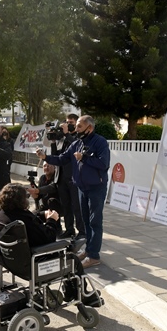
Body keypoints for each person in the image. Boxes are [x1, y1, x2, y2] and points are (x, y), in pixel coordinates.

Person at [0, 183, 102, 305]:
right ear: (20, 200)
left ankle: (70, 292)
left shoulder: (2, 216)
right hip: (33, 265)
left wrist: (42, 214)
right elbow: (49, 238)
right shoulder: (22, 223)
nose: (27, 198)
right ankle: (84, 295)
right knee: (72, 259)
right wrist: (52, 220)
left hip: (11, 262)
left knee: (67, 256)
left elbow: (29, 217)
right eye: (26, 196)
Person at [38, 115, 110, 269]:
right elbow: (62, 159)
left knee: (94, 222)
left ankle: (94, 256)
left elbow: (104, 164)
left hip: (96, 187)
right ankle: (88, 250)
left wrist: (84, 158)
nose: (76, 129)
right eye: (76, 126)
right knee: (85, 222)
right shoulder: (76, 144)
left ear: (89, 128)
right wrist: (46, 157)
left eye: (79, 127)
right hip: (81, 188)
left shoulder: (100, 142)